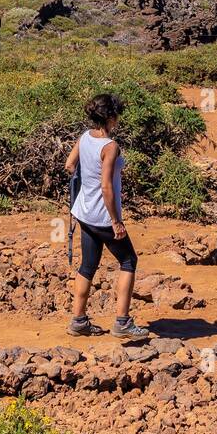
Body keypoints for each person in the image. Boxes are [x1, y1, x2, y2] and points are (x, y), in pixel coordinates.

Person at [65, 92, 149, 342]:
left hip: (84, 212)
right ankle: (122, 322)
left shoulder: (84, 137)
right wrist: (116, 221)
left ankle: (78, 321)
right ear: (110, 117)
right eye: (117, 116)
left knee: (88, 266)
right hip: (103, 217)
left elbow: (69, 165)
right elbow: (106, 187)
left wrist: (84, 179)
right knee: (129, 261)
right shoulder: (110, 146)